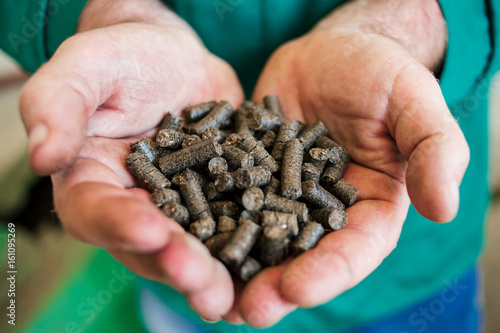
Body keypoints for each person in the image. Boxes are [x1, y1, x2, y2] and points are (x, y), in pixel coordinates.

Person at [0, 0, 498, 331]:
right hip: (179, 286)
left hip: (412, 277)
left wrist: (419, 19)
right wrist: (102, 12)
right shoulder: (201, 176)